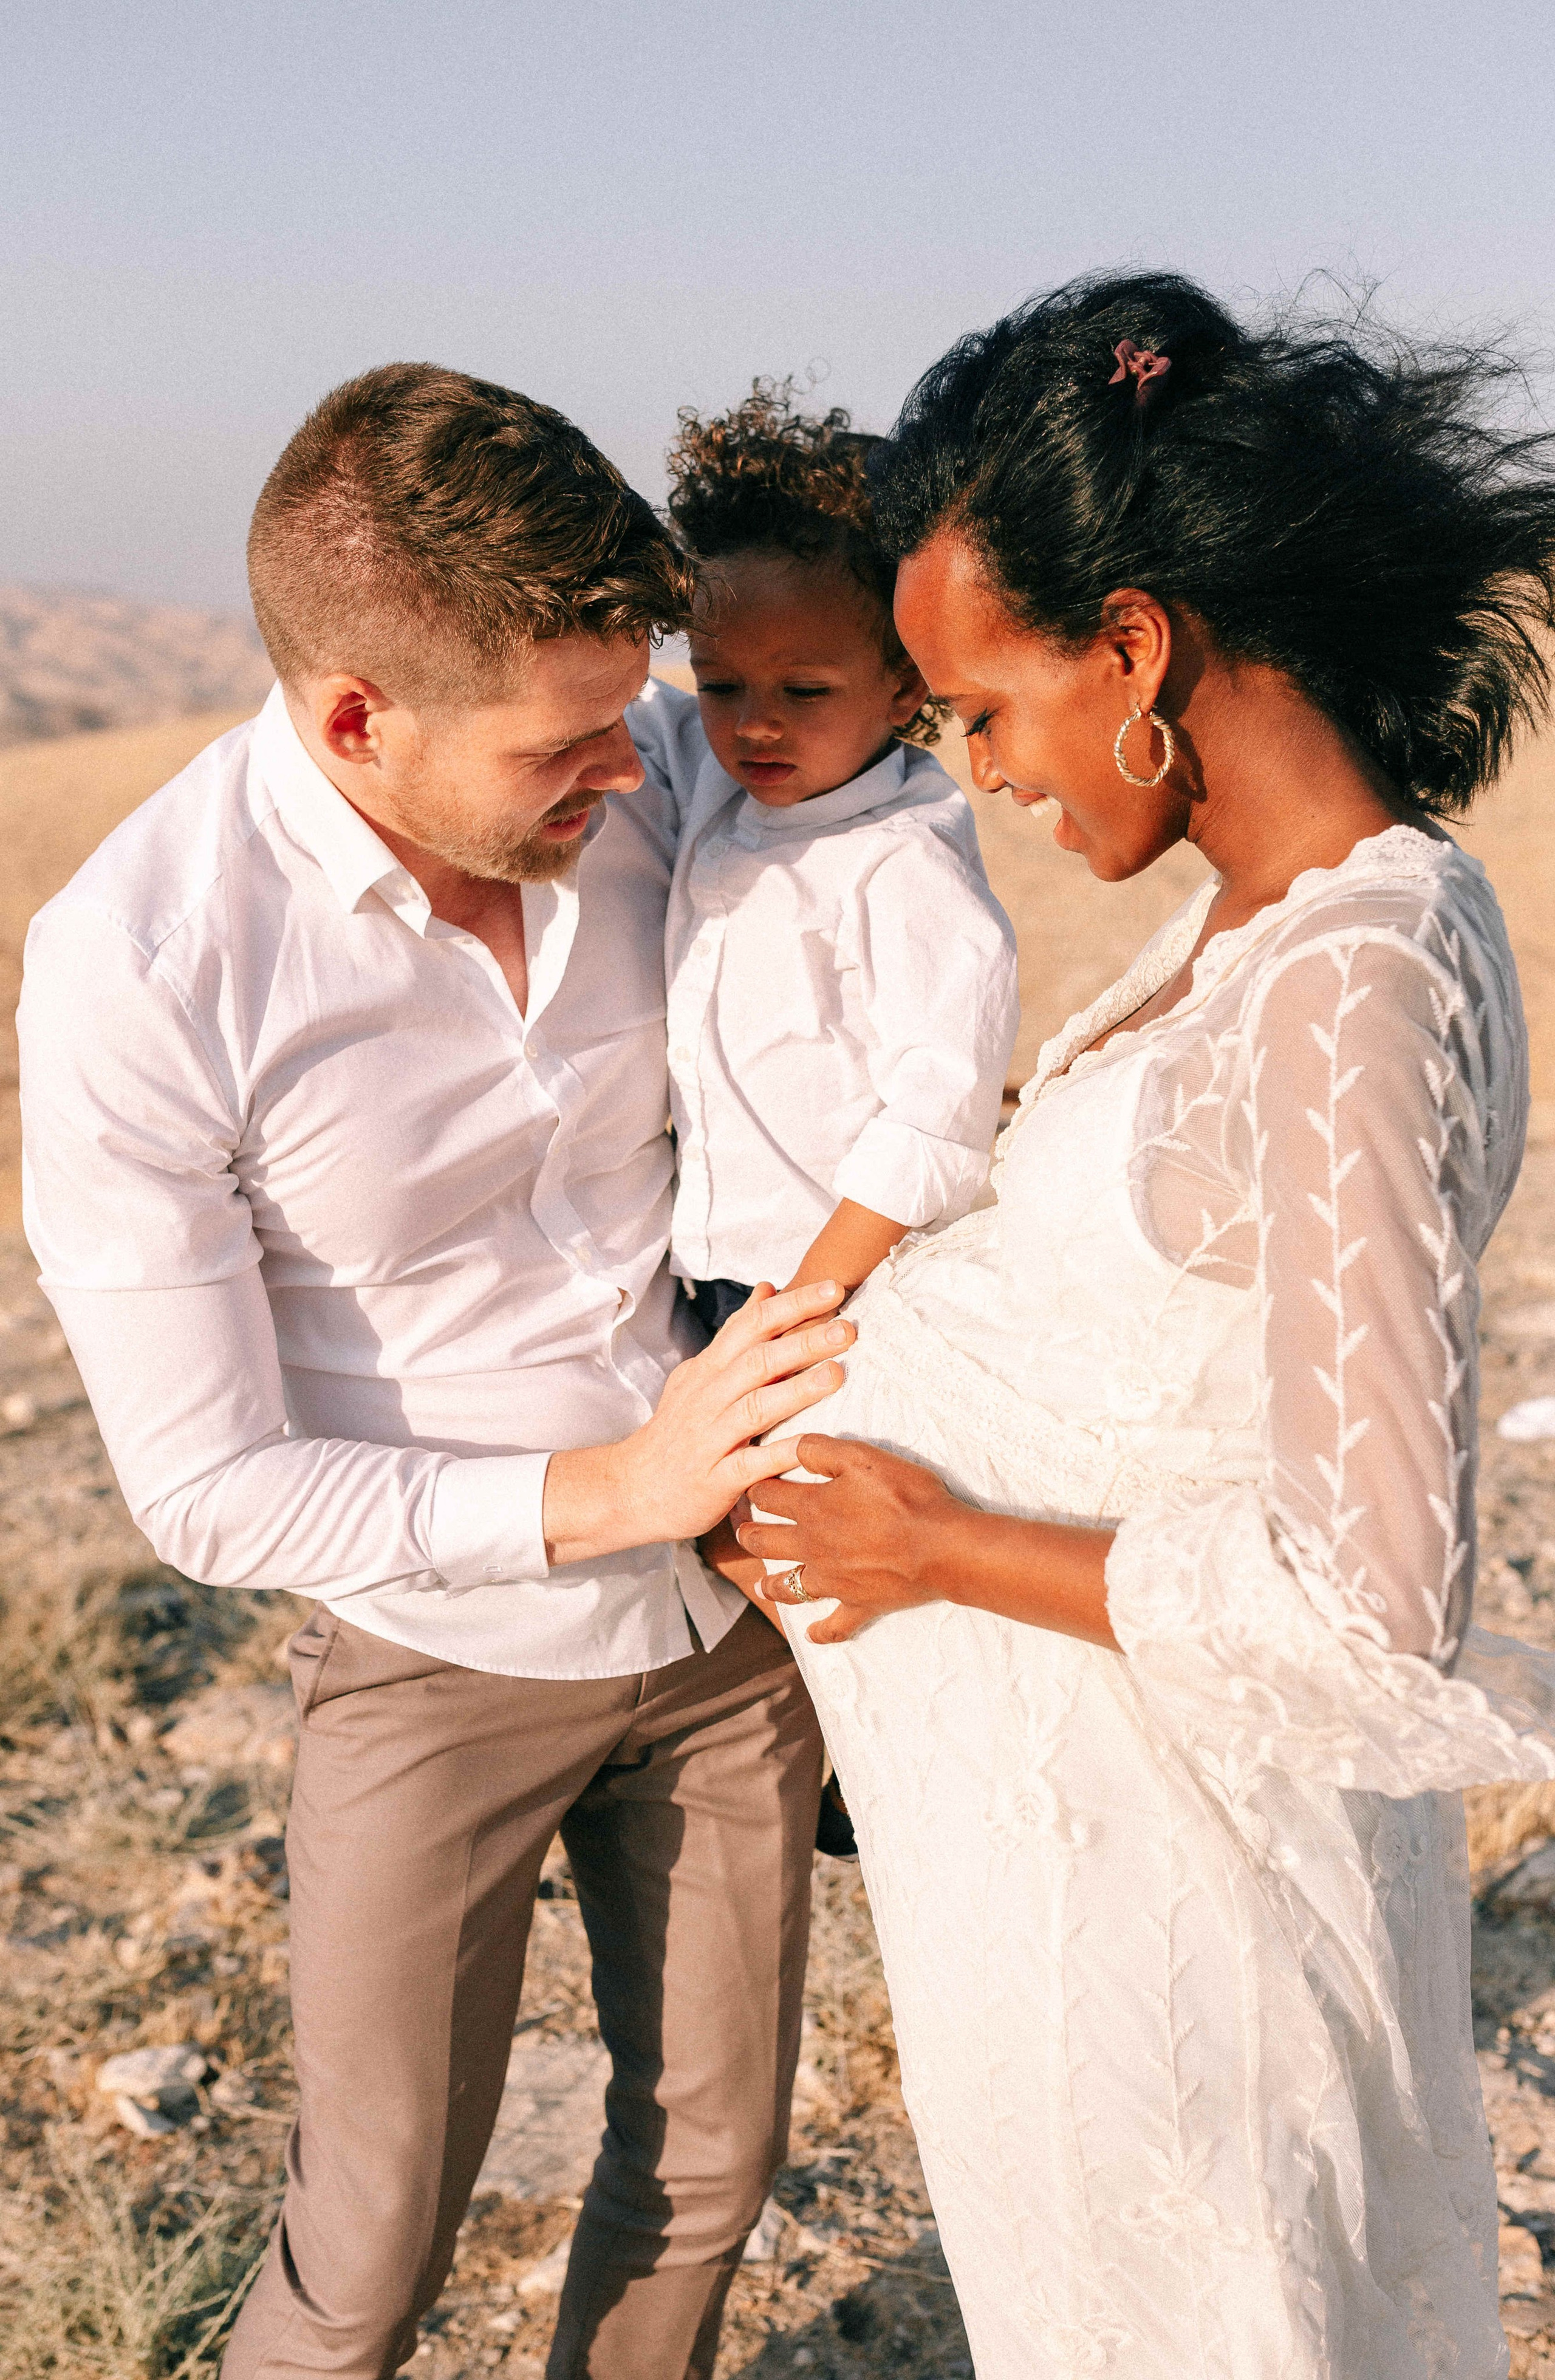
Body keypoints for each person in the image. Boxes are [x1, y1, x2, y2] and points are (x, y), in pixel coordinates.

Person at [717, 275, 1555, 2377]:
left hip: (1194, 1933)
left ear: (1134, 643)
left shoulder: (1355, 976)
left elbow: (1372, 1601)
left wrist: (930, 1549)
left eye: (985, 710)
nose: (981, 774)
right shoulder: (1251, 925)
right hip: (1084, 1889)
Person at [18, 364, 853, 2380]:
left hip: (734, 1625)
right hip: (426, 1656)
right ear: (356, 716)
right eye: (566, 746)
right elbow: (213, 1486)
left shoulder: (665, 760)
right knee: (369, 2244)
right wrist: (605, 1491)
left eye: (628, 715)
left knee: (710, 2172)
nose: (630, 770)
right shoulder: (140, 964)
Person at [631, 381, 1019, 1327]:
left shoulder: (901, 866)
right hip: (710, 1278)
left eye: (804, 690)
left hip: (843, 1295)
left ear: (902, 685)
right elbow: (641, 712)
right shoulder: (725, 777)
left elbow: (937, 1117)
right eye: (720, 683)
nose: (755, 723)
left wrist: (806, 1305)